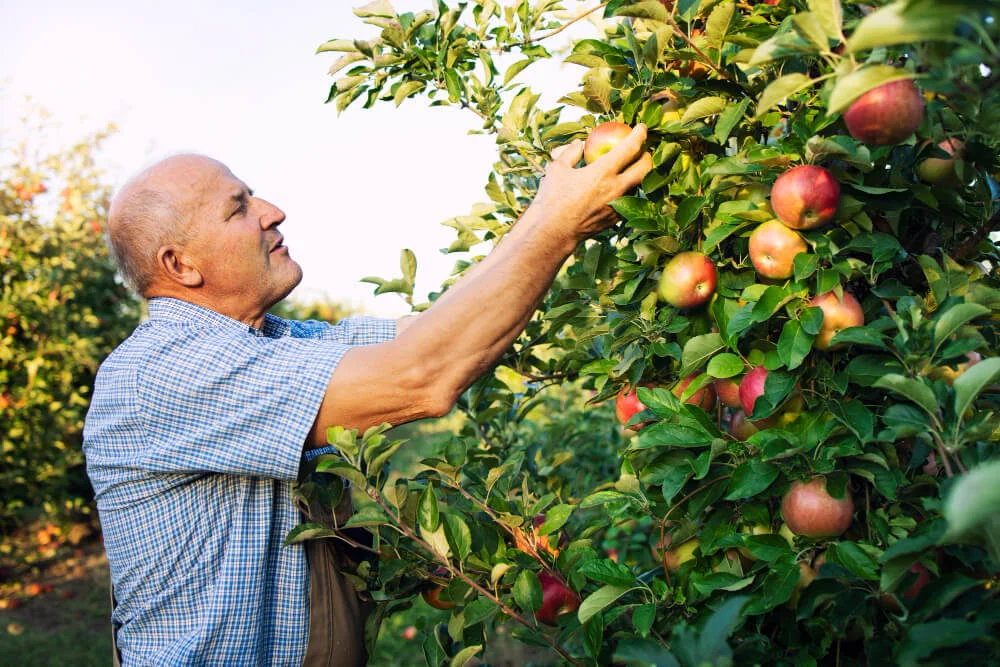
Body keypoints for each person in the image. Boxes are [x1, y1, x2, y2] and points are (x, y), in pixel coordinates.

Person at [83, 126, 652, 665]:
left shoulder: (274, 342)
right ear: (180, 266)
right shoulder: (158, 374)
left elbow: (427, 333)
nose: (272, 212)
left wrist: (547, 211)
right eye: (238, 207)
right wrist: (558, 225)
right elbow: (421, 376)